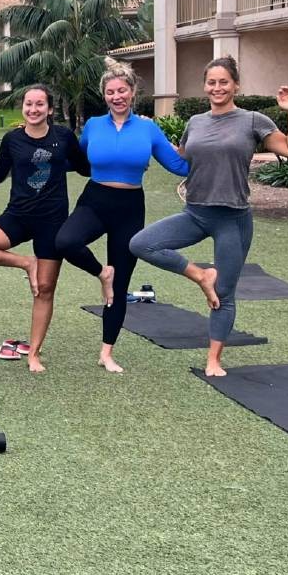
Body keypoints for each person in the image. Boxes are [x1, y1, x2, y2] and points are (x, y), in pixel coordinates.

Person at [131, 57, 288, 377]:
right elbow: (182, 155)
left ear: (236, 85)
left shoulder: (252, 120)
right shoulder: (196, 122)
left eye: (224, 82)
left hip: (232, 218)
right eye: (212, 82)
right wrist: (149, 131)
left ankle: (214, 360)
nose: (217, 88)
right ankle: (200, 275)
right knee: (141, 243)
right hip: (195, 212)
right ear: (204, 86)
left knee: (225, 294)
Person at [55, 64, 188, 373]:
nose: (117, 96)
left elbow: (179, 166)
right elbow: (80, 162)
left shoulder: (148, 128)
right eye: (110, 92)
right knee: (66, 241)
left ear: (132, 92)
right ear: (104, 96)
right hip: (95, 200)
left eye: (122, 91)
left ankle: (107, 352)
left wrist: (214, 156)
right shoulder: (93, 126)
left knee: (122, 282)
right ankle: (103, 273)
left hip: (129, 207)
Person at [0, 85, 89, 374]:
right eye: (29, 104)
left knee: (44, 289)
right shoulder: (12, 139)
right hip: (17, 216)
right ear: (23, 108)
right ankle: (25, 263)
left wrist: (128, 160)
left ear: (50, 109)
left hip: (52, 223)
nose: (33, 109)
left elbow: (85, 168)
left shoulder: (64, 137)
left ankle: (34, 353)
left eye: (39, 104)